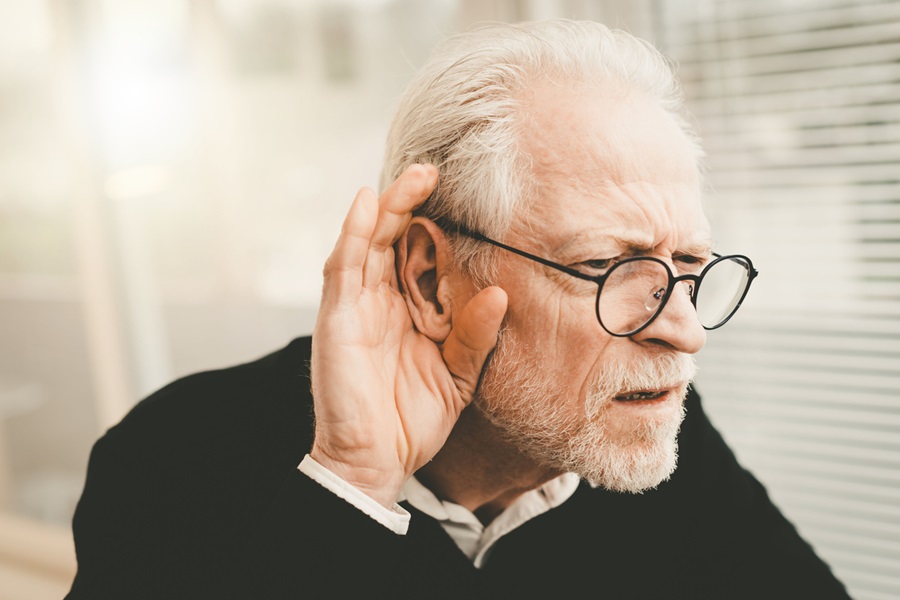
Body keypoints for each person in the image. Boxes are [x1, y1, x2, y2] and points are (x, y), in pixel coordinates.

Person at [65, 19, 852, 599]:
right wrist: (350, 487)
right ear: (434, 280)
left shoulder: (643, 436)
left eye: (687, 267)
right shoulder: (174, 458)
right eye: (608, 267)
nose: (682, 329)